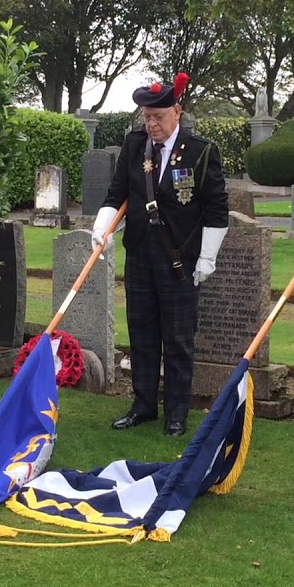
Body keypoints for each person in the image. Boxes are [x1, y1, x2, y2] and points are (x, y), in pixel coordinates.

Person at [91, 73, 229, 437]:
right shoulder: (135, 145)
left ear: (177, 112)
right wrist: (102, 228)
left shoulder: (200, 151)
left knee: (178, 339)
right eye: (147, 117)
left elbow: (216, 209)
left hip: (180, 260)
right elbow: (117, 193)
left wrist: (207, 257)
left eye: (158, 117)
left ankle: (177, 413)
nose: (151, 124)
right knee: (142, 334)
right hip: (140, 254)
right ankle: (143, 405)